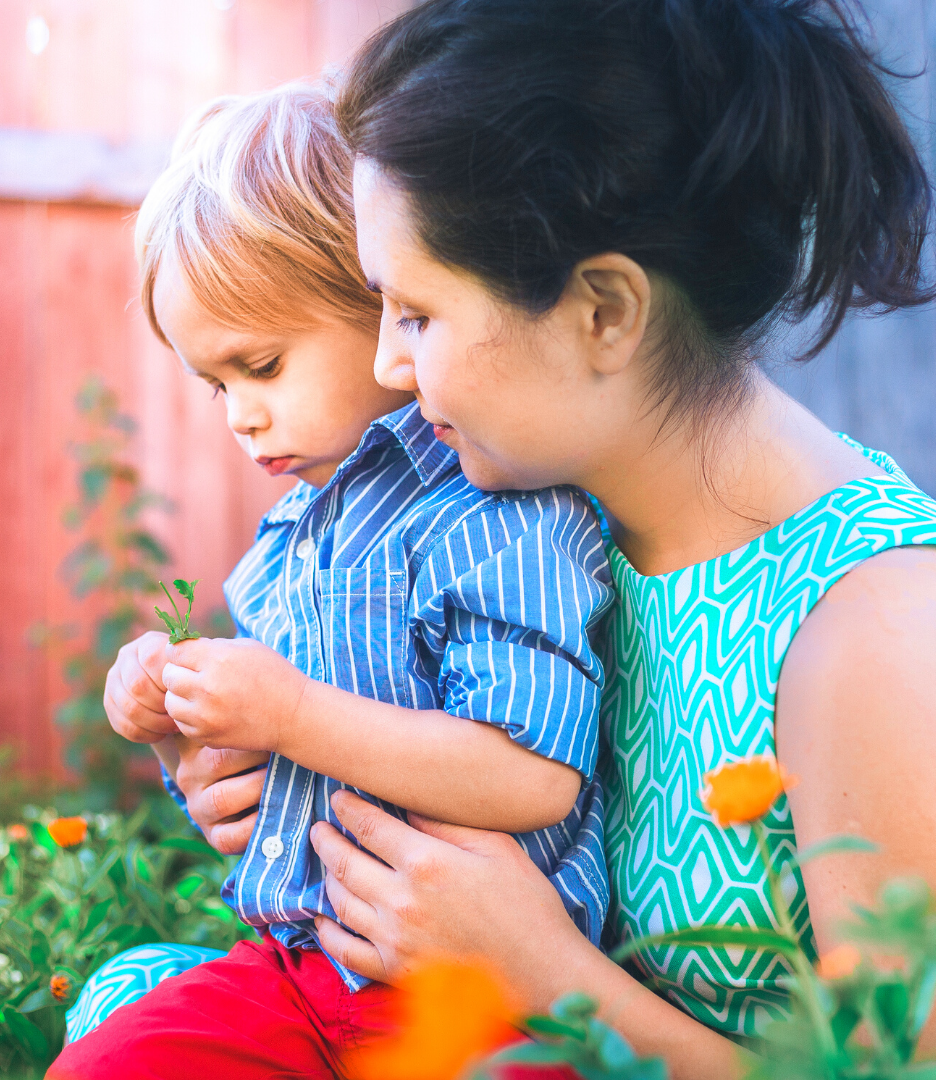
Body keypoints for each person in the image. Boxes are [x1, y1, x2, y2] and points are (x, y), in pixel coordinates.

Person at [292, 0, 936, 1076]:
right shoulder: (546, 540)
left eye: (418, 314)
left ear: (605, 311)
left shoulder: (883, 630)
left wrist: (543, 971)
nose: (385, 365)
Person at [50, 81, 613, 1079]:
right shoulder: (287, 543)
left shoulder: (493, 507)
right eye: (213, 383)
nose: (238, 416)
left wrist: (293, 713)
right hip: (298, 972)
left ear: (382, 301)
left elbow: (534, 774)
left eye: (260, 365)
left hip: (481, 996)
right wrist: (187, 737)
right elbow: (271, 794)